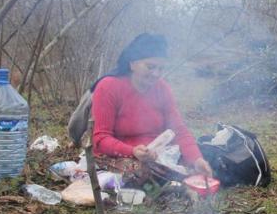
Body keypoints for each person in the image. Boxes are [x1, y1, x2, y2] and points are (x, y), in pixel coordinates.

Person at [91, 33, 212, 187]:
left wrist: (197, 159)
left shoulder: (162, 89)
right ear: (132, 63)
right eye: (150, 67)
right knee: (144, 171)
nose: (156, 74)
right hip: (116, 156)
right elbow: (100, 139)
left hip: (156, 154)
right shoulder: (109, 87)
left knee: (202, 162)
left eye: (161, 68)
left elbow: (179, 130)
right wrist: (132, 151)